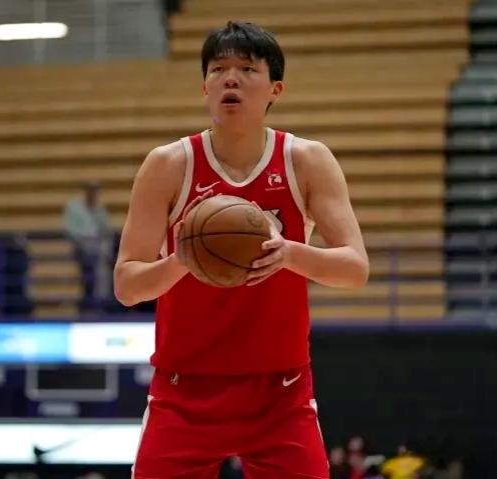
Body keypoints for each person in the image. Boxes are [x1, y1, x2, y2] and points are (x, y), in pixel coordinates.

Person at [114, 21, 369, 479]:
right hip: (184, 390)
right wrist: (181, 260)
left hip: (280, 392)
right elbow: (127, 286)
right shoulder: (168, 165)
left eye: (247, 69)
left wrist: (288, 253)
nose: (230, 78)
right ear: (204, 87)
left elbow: (354, 269)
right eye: (218, 69)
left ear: (275, 89)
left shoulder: (306, 160)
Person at [63, 181, 112, 313]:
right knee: (89, 272)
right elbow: (70, 230)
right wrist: (84, 240)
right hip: (81, 248)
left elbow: (105, 230)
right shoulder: (73, 208)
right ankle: (87, 304)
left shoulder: (100, 209)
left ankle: (101, 304)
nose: (92, 194)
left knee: (105, 270)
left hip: (98, 249)